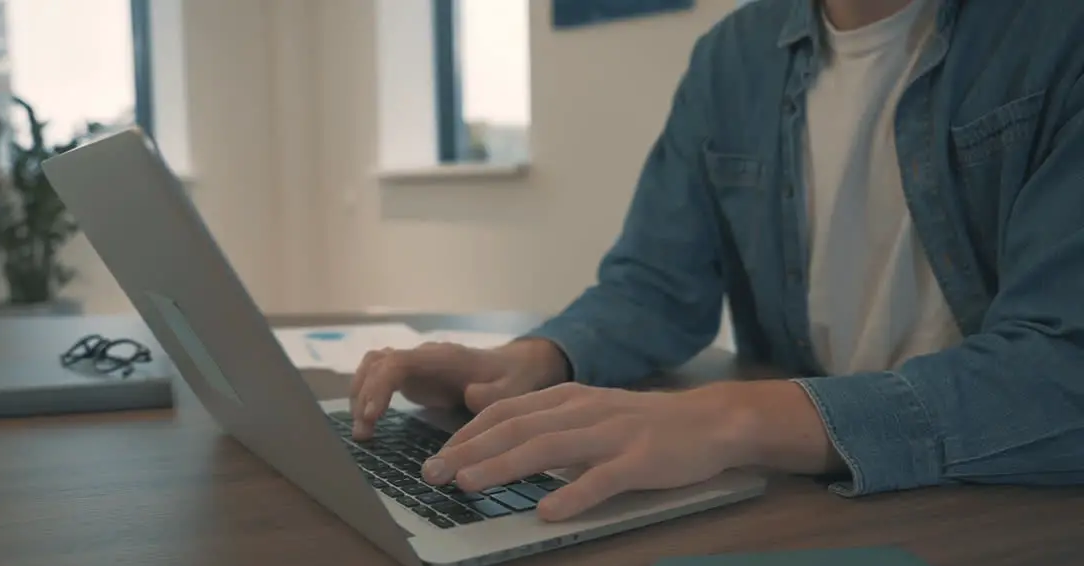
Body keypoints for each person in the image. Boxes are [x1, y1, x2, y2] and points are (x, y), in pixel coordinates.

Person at [349, 0, 1084, 522]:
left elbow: (1063, 366)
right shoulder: (733, 56)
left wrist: (732, 418)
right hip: (818, 501)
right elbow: (656, 285)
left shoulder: (1058, 32)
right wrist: (535, 358)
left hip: (1009, 510)